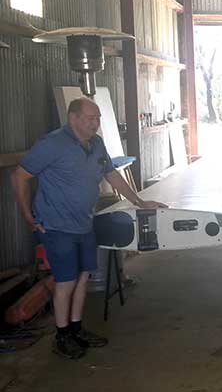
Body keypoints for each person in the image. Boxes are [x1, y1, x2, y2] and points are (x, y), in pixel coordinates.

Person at [10, 98, 167, 359]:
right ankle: (62, 338)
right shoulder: (52, 143)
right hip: (56, 225)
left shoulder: (96, 144)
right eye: (90, 118)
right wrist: (27, 214)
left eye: (98, 118)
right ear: (73, 118)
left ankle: (76, 329)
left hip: (84, 222)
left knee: (83, 276)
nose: (96, 123)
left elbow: (111, 173)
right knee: (65, 281)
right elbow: (20, 176)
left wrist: (138, 200)